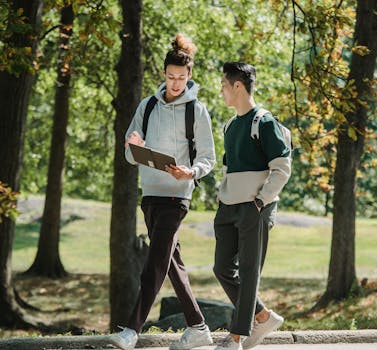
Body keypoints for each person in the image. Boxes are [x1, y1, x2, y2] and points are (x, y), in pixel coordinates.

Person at [111, 33, 216, 350]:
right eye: (171, 77)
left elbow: (208, 158)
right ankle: (198, 326)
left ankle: (132, 329)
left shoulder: (196, 111)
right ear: (164, 74)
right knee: (170, 262)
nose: (175, 83)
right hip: (151, 196)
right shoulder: (147, 106)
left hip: (178, 196)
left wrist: (191, 171)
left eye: (181, 78)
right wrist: (134, 146)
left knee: (155, 261)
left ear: (190, 76)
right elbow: (129, 154)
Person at [212, 62, 291, 350]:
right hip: (228, 207)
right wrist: (222, 199)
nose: (221, 91)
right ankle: (263, 315)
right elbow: (229, 169)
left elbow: (282, 168)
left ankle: (236, 337)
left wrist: (261, 200)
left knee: (248, 271)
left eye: (224, 85)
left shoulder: (264, 121)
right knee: (222, 268)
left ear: (237, 86)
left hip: (255, 207)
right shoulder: (230, 125)